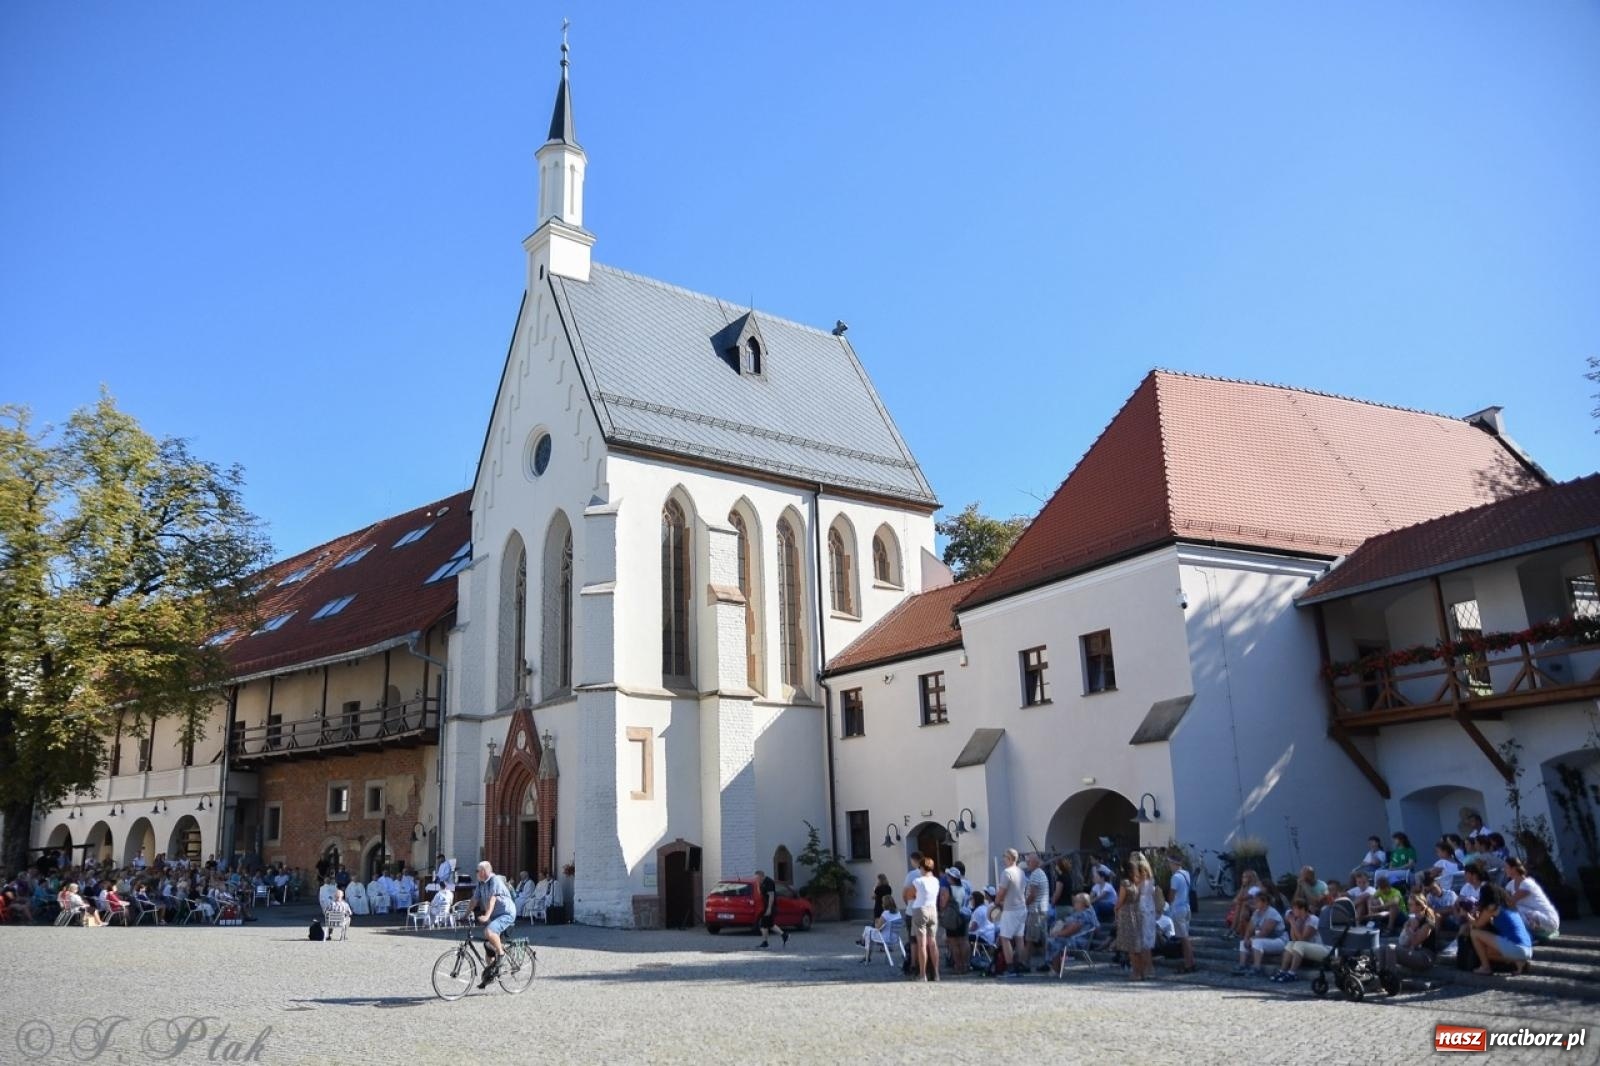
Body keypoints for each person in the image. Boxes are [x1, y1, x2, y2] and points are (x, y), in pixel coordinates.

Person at [471, 861, 517, 988]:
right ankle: (490, 976)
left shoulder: (494, 880)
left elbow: (492, 899)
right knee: (488, 946)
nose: (476, 873)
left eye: (477, 871)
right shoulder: (480, 884)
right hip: (496, 917)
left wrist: (486, 916)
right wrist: (464, 915)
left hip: (506, 914)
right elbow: (474, 900)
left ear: (484, 872)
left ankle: (501, 954)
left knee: (489, 932)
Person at [1469, 883, 1532, 976]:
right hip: (1528, 950)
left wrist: (1467, 916)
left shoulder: (1492, 907)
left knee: (1474, 933)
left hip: (1516, 947)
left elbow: (1477, 925)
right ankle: (1519, 962)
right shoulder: (1509, 907)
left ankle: (1486, 968)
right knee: (1488, 953)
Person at [1271, 898, 1329, 982]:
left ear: (1302, 909)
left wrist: (1293, 923)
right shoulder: (1298, 919)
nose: (1293, 911)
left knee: (1299, 944)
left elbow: (1302, 939)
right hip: (1307, 948)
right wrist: (1293, 923)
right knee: (1291, 944)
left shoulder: (1313, 919)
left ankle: (1292, 973)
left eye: (1295, 909)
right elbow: (1294, 939)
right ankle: (1282, 971)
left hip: (1322, 949)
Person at [1381, 895, 1438, 977]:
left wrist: (1407, 928)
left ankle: (1391, 980)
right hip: (1414, 951)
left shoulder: (1427, 924)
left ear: (1419, 906)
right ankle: (1382, 977)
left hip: (1425, 956)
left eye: (1411, 904)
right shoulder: (1413, 920)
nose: (1408, 906)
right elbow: (1404, 942)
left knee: (1391, 948)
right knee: (1382, 948)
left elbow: (1415, 942)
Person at [1503, 857, 1560, 939]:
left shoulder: (1527, 883)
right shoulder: (1510, 885)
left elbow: (1509, 902)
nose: (1504, 869)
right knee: (1511, 909)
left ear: (1514, 869)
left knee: (1514, 908)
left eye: (1506, 867)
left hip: (1548, 919)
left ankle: (1526, 936)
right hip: (1532, 917)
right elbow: (1503, 900)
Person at [993, 848, 1028, 978]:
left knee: (1005, 938)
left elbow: (1002, 891)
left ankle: (1010, 967)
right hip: (1021, 907)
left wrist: (996, 902)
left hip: (1011, 909)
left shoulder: (1007, 872)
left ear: (1010, 858)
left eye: (1005, 856)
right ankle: (1020, 964)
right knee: (1019, 938)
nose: (1003, 858)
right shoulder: (1021, 872)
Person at [905, 857, 941, 981]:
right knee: (933, 943)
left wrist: (918, 895)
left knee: (922, 944)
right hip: (933, 909)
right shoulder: (936, 881)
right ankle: (936, 973)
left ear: (921, 867)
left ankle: (922, 974)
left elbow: (909, 895)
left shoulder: (918, 881)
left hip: (920, 909)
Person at [1234, 890, 1284, 977]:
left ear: (1265, 902)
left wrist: (1252, 939)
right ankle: (1242, 965)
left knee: (1257, 942)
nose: (1254, 902)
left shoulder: (1272, 913)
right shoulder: (1256, 913)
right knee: (1243, 942)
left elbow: (1265, 932)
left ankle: (1257, 968)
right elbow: (1250, 929)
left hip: (1279, 940)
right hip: (1266, 939)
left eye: (1257, 901)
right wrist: (1246, 938)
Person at [1045, 893, 1100, 970]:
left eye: (1077, 901)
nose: (1074, 903)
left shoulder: (1084, 914)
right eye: (1075, 901)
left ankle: (1055, 969)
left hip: (1079, 941)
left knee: (1054, 940)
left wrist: (1058, 933)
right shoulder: (1083, 912)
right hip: (1075, 938)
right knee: (1052, 938)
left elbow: (1072, 930)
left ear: (1084, 903)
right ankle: (1050, 965)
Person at [1130, 852, 1161, 981]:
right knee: (1146, 940)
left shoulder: (1139, 875)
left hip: (1141, 907)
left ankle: (1145, 969)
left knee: (1142, 941)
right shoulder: (1150, 876)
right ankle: (1147, 969)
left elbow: (1134, 891)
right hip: (1149, 908)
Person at [1166, 847, 1196, 973]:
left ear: (1174, 864)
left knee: (1184, 939)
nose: (1168, 866)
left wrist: (1166, 902)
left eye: (1169, 863)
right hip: (1186, 907)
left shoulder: (1175, 877)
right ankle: (1188, 963)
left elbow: (1171, 896)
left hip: (1178, 909)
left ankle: (1190, 964)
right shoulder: (1186, 874)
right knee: (1185, 937)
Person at [1022, 853, 1050, 969]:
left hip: (1035, 911)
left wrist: (1023, 904)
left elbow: (1033, 895)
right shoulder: (1040, 873)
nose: (1027, 863)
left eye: (1029, 861)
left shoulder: (1035, 874)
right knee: (1042, 939)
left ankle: (1026, 963)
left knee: (1030, 938)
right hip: (1042, 910)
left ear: (1036, 863)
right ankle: (1048, 961)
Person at [857, 895, 900, 962]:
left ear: (885, 904)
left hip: (886, 938)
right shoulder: (898, 913)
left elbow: (877, 927)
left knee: (868, 931)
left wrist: (877, 921)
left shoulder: (885, 913)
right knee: (868, 930)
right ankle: (864, 943)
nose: (882, 904)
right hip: (895, 937)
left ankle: (864, 944)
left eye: (882, 902)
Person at [755, 868, 787, 949]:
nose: (756, 879)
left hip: (770, 906)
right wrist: (758, 884)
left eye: (757, 878)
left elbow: (771, 896)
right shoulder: (761, 883)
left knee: (763, 925)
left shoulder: (769, 882)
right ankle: (784, 935)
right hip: (765, 906)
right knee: (770, 925)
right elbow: (760, 894)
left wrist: (769, 908)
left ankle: (765, 942)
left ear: (762, 876)